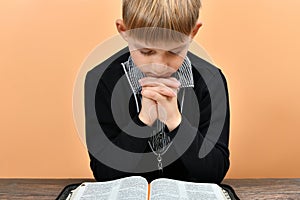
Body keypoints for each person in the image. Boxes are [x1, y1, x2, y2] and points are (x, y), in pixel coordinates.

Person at [85, 0, 230, 184]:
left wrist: (175, 121)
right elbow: (103, 174)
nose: (160, 67)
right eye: (146, 51)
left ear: (192, 33)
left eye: (174, 51)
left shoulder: (211, 80)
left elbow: (214, 173)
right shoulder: (100, 80)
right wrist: (143, 119)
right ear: (124, 31)